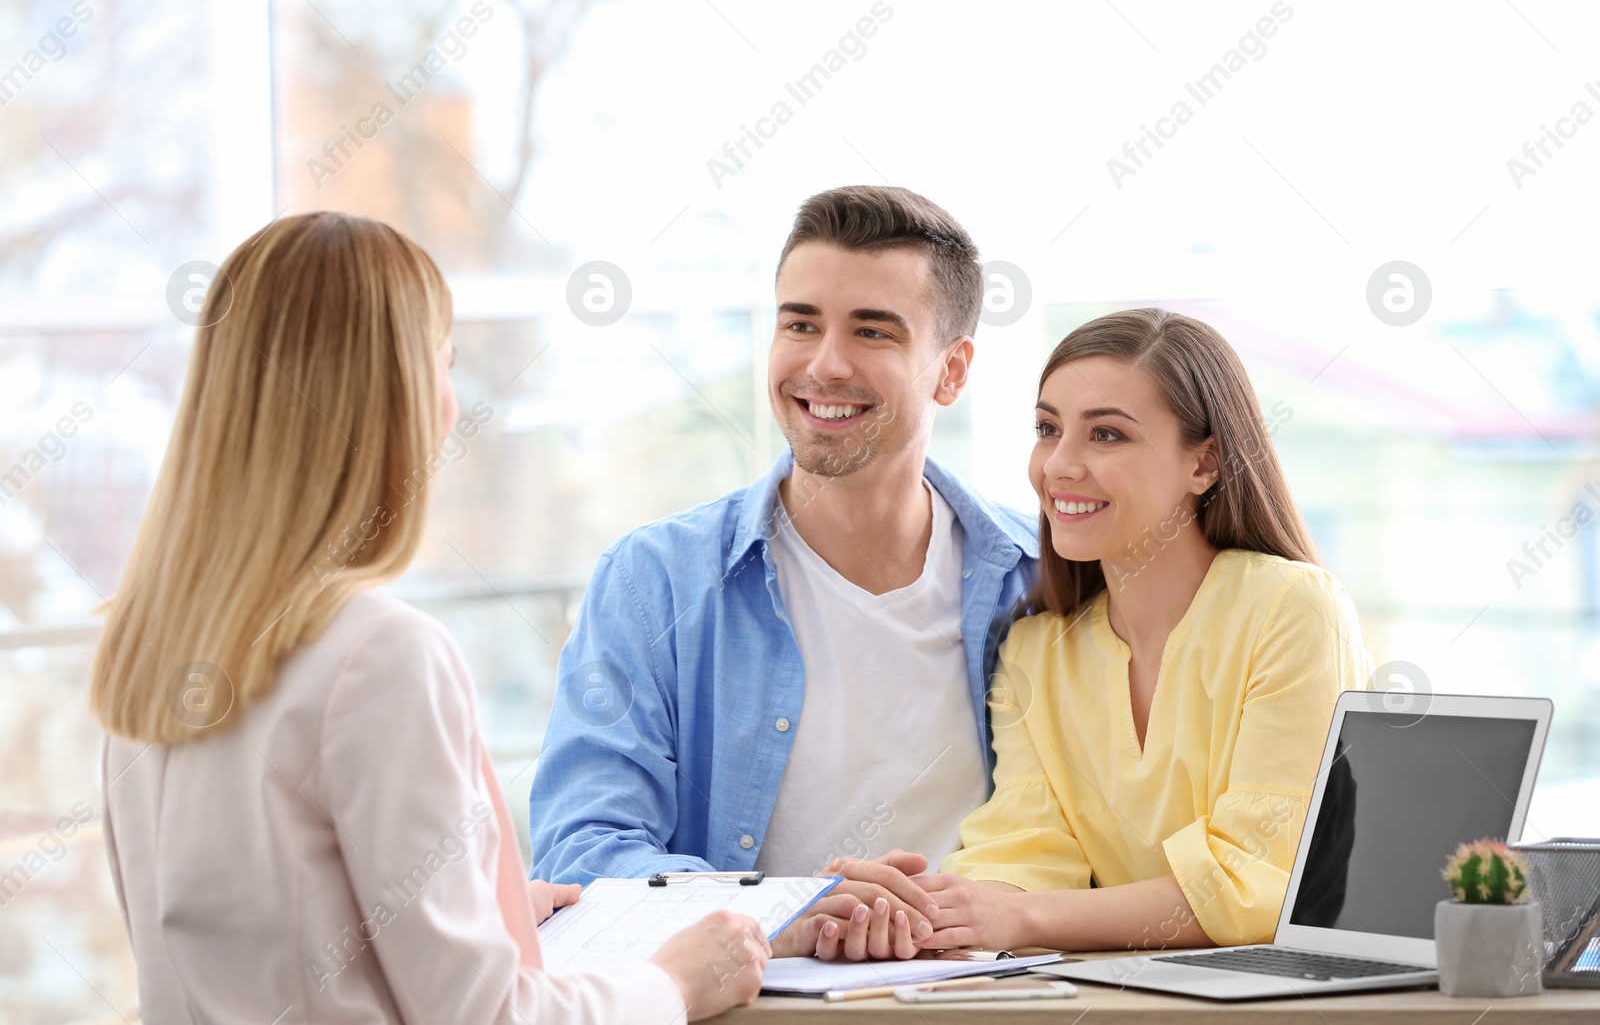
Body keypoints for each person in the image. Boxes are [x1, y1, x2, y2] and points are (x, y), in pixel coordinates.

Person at [89, 212, 767, 1023]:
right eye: (441, 363)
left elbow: (264, 938)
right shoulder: (380, 651)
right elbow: (487, 1017)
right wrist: (677, 980)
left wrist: (481, 907)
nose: (450, 406)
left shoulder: (151, 644)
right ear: (394, 397)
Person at [528, 186, 1039, 960]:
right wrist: (788, 911)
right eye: (800, 323)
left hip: (1003, 1000)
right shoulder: (653, 581)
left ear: (952, 370)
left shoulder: (1045, 579)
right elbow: (582, 849)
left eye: (873, 331)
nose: (824, 364)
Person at [905, 308, 1374, 952]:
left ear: (1204, 465)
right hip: (1122, 1001)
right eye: (1048, 428)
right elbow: (1023, 857)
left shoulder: (1291, 609)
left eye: (1107, 436)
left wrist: (1024, 918)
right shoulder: (1035, 651)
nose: (1059, 466)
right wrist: (925, 909)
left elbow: (1257, 882)